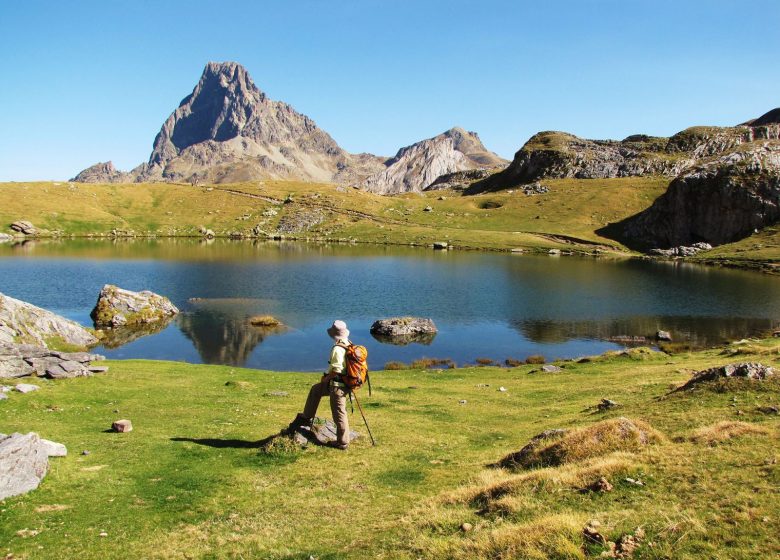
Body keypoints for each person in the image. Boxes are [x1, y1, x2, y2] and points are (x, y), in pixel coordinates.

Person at [287, 320, 351, 450]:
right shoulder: (348, 344)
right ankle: (307, 416)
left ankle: (342, 442)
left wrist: (326, 378)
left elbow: (337, 370)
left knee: (339, 413)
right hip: (340, 383)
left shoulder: (338, 348)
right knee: (316, 390)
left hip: (337, 386)